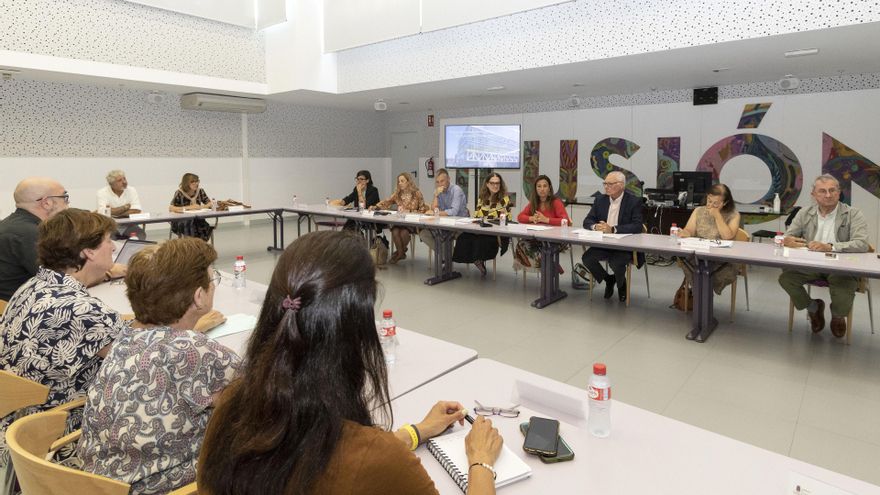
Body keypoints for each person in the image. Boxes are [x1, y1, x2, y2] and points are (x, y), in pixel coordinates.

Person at [197, 231, 503, 495]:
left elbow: (315, 448)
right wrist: (481, 460)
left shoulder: (231, 409)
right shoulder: (374, 457)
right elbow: (357, 457)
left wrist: (419, 431)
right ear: (355, 326)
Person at [77, 238, 237, 495]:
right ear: (198, 296)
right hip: (165, 487)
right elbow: (260, 397)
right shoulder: (193, 350)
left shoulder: (124, 338)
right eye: (211, 279)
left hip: (98, 483)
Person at [0, 209, 124, 466]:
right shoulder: (83, 310)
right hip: (57, 435)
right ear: (88, 251)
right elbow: (143, 363)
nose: (113, 246)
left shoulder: (32, 286)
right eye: (108, 240)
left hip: (15, 421)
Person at [778, 174, 869, 338]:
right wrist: (789, 241)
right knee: (786, 279)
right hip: (811, 264)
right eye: (822, 191)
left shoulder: (853, 214)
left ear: (839, 192)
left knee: (843, 289)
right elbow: (788, 236)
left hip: (841, 267)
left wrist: (830, 246)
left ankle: (838, 315)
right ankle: (813, 308)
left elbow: (861, 244)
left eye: (832, 190)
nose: (828, 195)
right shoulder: (804, 213)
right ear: (813, 194)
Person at [0, 177, 69, 300]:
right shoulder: (30, 234)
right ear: (47, 203)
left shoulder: (11, 225)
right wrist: (106, 273)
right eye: (65, 197)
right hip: (20, 310)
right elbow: (61, 280)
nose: (68, 204)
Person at [581, 171, 643, 302]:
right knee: (587, 258)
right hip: (603, 243)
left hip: (624, 245)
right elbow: (587, 221)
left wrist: (613, 229)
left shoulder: (633, 201)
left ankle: (621, 284)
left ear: (621, 185)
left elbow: (637, 226)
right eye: (605, 183)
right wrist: (595, 226)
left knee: (616, 262)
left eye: (610, 184)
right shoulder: (600, 200)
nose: (606, 187)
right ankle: (608, 279)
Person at [677, 183, 742, 296]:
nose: (711, 205)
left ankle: (703, 299)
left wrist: (717, 216)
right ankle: (701, 300)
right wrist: (684, 233)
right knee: (693, 266)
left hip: (723, 260)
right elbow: (689, 230)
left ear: (725, 203)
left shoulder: (733, 215)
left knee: (706, 273)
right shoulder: (698, 211)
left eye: (715, 203)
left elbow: (728, 236)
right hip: (699, 257)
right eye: (709, 200)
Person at [452, 173, 512, 277]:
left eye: (497, 183)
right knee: (463, 237)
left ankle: (478, 260)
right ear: (487, 184)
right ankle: (472, 260)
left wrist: (495, 216)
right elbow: (477, 215)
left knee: (480, 241)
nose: (495, 185)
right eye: (492, 183)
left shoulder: (504, 199)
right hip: (481, 228)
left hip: (495, 232)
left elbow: (508, 219)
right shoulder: (482, 198)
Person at [513, 175, 570, 274]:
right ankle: (551, 265)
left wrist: (546, 220)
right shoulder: (534, 202)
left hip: (554, 238)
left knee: (545, 249)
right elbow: (520, 217)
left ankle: (550, 267)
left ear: (549, 188)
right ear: (535, 189)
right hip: (538, 238)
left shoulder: (556, 202)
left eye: (545, 186)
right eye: (539, 186)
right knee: (521, 244)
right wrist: (531, 218)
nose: (542, 189)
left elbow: (566, 221)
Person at [373, 172, 428, 264]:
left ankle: (399, 253)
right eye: (399, 181)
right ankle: (401, 252)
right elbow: (387, 202)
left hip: (412, 223)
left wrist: (409, 212)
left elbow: (423, 211)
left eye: (402, 181)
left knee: (403, 233)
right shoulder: (397, 193)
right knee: (395, 231)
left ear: (408, 182)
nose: (400, 183)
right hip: (400, 221)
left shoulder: (417, 193)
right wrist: (376, 206)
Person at [419, 168, 468, 251]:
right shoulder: (438, 191)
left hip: (459, 224)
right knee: (423, 234)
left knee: (445, 236)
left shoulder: (456, 190)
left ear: (448, 179)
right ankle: (444, 255)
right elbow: (434, 209)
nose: (440, 184)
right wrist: (435, 196)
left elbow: (454, 211)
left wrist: (436, 213)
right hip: (444, 224)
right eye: (437, 182)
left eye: (442, 181)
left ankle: (446, 256)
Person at [97, 169, 146, 239]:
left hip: (129, 225)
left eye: (124, 179)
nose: (124, 182)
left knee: (141, 235)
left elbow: (136, 210)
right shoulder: (102, 192)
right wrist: (125, 207)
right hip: (111, 225)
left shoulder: (131, 190)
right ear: (111, 184)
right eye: (119, 180)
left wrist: (114, 212)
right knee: (107, 240)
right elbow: (103, 212)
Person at [169, 172, 215, 241]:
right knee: (190, 225)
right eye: (193, 182)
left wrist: (200, 207)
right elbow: (171, 208)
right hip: (181, 221)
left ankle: (199, 247)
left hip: (197, 219)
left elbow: (210, 204)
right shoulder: (179, 193)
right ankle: (191, 247)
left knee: (201, 226)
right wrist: (189, 208)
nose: (196, 183)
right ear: (186, 183)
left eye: (197, 181)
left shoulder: (200, 191)